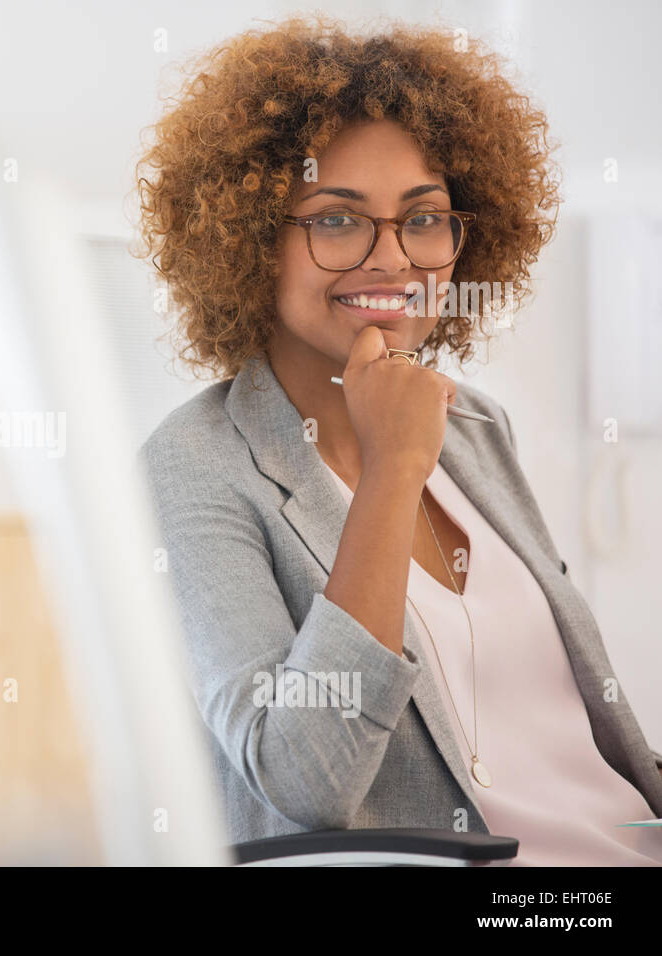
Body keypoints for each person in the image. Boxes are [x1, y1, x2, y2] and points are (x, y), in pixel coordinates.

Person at [135, 17, 662, 864]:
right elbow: (302, 776)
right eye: (337, 222)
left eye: (424, 219)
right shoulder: (193, 468)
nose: (393, 261)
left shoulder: (476, 425)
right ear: (249, 239)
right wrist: (392, 471)